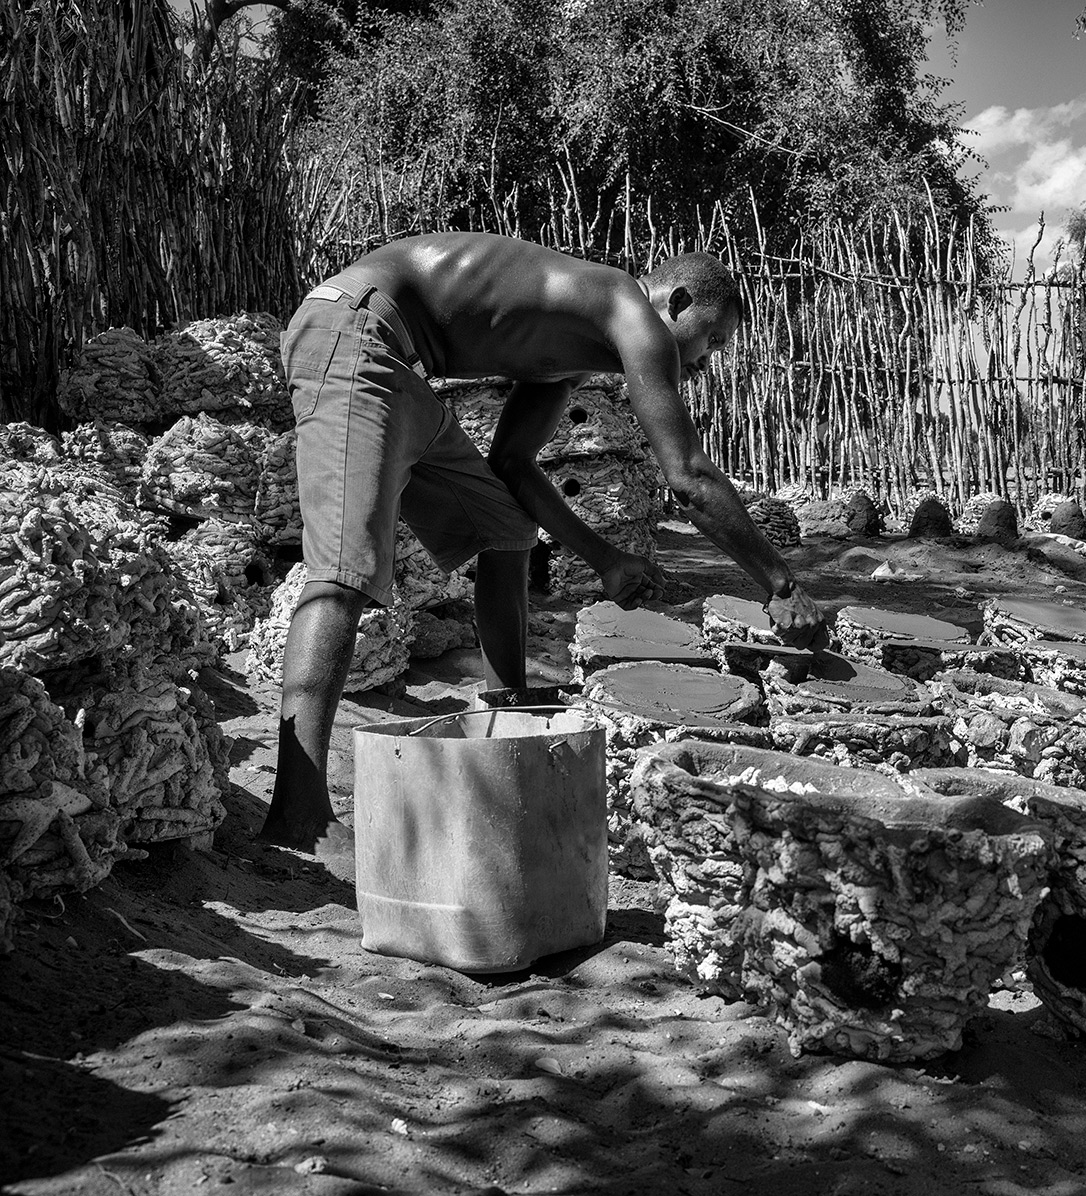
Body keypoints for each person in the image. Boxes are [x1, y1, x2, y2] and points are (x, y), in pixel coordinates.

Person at [260, 231, 829, 863]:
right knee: (345, 572)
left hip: (395, 365)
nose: (704, 362)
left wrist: (606, 560)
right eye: (711, 340)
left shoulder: (566, 357)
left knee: (504, 527)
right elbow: (688, 477)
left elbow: (513, 465)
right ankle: (299, 814)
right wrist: (783, 583)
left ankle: (510, 718)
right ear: (676, 300)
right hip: (353, 332)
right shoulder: (625, 305)